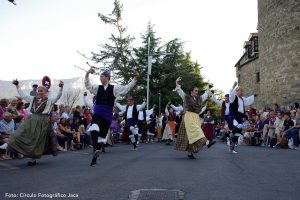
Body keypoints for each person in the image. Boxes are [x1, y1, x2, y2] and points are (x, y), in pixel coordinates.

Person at [85, 68, 138, 166]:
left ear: (108, 78)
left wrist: (134, 79)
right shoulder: (97, 88)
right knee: (93, 128)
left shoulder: (114, 88)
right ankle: (96, 148)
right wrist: (87, 74)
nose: (101, 77)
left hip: (108, 116)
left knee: (101, 138)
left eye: (103, 76)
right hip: (98, 113)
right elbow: (88, 86)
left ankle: (95, 158)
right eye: (100, 76)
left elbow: (126, 88)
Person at [7, 78, 63, 166]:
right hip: (32, 120)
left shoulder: (50, 100)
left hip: (43, 121)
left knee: (37, 140)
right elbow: (23, 95)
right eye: (39, 91)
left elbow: (58, 96)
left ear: (45, 92)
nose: (40, 92)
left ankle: (33, 159)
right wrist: (17, 85)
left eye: (41, 91)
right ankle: (13, 145)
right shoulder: (33, 99)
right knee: (22, 133)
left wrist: (61, 88)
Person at [174, 77, 215, 159]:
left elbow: (205, 95)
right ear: (191, 91)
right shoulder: (186, 97)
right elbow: (179, 91)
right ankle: (207, 143)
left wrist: (208, 88)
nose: (197, 92)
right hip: (188, 117)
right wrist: (177, 83)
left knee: (191, 137)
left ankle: (190, 153)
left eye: (197, 91)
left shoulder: (199, 99)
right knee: (197, 131)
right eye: (195, 91)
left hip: (195, 117)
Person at [228, 81, 257, 153]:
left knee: (238, 131)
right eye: (241, 91)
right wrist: (233, 86)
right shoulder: (234, 97)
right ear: (236, 91)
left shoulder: (242, 99)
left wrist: (253, 96)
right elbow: (231, 94)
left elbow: (247, 100)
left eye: (242, 91)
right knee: (238, 127)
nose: (242, 92)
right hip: (234, 115)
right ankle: (231, 137)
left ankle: (232, 144)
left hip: (240, 116)